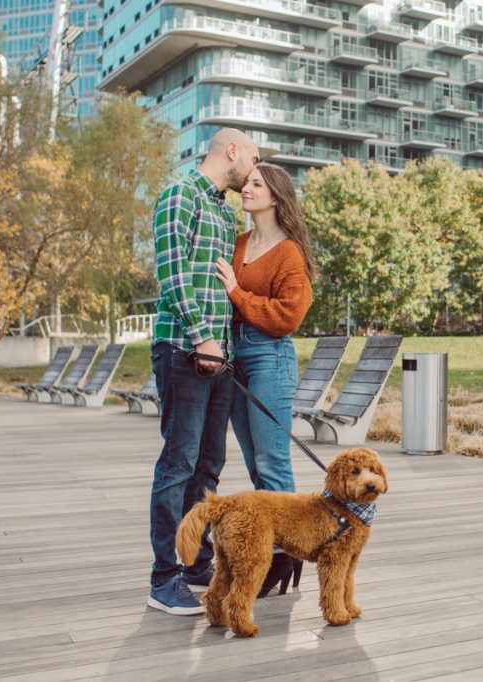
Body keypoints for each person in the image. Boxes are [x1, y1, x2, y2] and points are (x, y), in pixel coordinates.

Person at [147, 128, 260, 616]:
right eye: (254, 158)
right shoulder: (181, 195)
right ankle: (163, 577)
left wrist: (224, 347)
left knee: (209, 463)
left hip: (219, 358)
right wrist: (201, 337)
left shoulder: (221, 208)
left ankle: (194, 561)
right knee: (179, 463)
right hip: (183, 349)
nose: (255, 169)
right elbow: (171, 275)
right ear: (231, 150)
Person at [214, 162, 315, 594]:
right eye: (246, 183)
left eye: (256, 184)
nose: (246, 189)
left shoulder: (289, 252)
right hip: (235, 357)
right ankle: (276, 551)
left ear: (276, 196)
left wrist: (237, 293)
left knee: (273, 462)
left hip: (269, 357)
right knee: (255, 462)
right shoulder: (236, 244)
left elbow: (288, 316)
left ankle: (287, 554)